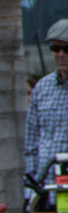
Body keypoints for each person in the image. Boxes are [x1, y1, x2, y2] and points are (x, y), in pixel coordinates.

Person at [25, 18, 68, 191]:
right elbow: (31, 144)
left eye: (66, 49)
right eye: (55, 49)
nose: (60, 54)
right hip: (46, 187)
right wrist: (30, 189)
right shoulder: (42, 88)